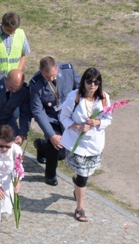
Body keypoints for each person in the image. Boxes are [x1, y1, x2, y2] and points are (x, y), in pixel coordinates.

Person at [60, 68, 112, 222]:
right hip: (78, 144)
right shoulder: (74, 97)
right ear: (83, 81)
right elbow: (63, 117)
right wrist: (78, 126)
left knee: (86, 174)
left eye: (96, 82)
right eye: (89, 81)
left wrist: (98, 122)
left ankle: (77, 186)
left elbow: (109, 118)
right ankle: (80, 208)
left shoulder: (104, 98)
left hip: (95, 144)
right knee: (83, 176)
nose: (92, 85)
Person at [30, 56, 81, 186]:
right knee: (55, 143)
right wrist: (51, 135)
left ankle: (41, 145)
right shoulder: (35, 84)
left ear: (57, 67)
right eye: (47, 77)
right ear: (41, 72)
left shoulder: (68, 70)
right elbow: (38, 111)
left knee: (63, 154)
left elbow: (80, 89)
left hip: (68, 115)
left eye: (53, 75)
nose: (51, 79)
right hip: (51, 117)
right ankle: (50, 175)